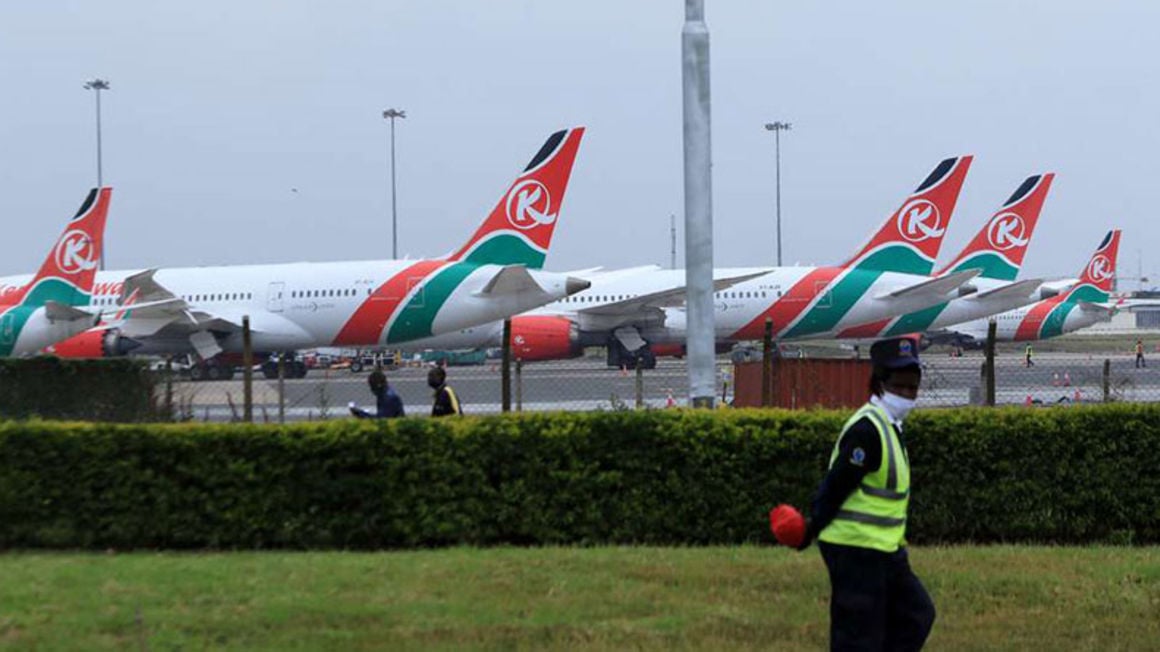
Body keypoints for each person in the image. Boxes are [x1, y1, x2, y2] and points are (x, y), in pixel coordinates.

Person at [774, 336, 934, 650]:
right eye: (899, 386)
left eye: (912, 388)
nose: (906, 394)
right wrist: (809, 530)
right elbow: (835, 486)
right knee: (859, 638)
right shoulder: (867, 431)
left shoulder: (890, 426)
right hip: (854, 549)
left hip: (885, 550)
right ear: (879, 385)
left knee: (916, 616)